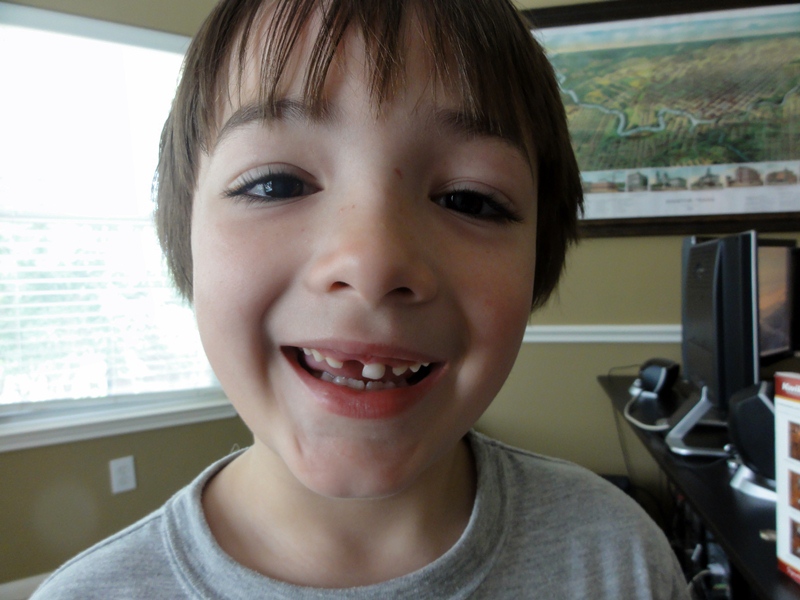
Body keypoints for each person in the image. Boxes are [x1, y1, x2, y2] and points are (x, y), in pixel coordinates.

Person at [32, 0, 692, 598]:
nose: (373, 264)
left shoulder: (621, 559)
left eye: (469, 199)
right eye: (275, 185)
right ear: (186, 236)